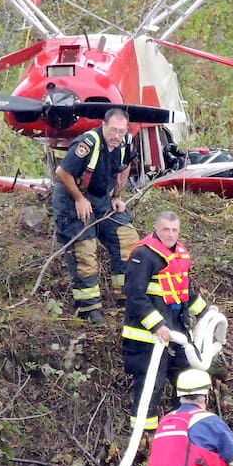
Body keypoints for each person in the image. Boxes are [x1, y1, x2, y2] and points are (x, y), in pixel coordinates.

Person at [122, 211, 208, 431]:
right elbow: (135, 295)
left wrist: (207, 314)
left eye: (174, 230)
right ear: (156, 229)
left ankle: (183, 429)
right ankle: (144, 437)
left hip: (177, 335)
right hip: (148, 338)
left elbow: (185, 292)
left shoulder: (178, 255)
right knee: (151, 386)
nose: (170, 235)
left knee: (188, 380)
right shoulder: (143, 254)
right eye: (166, 230)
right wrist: (157, 325)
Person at [53, 108, 139, 324]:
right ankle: (88, 308)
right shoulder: (88, 143)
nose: (116, 136)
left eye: (121, 131)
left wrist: (117, 195)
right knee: (85, 250)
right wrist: (79, 199)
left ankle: (125, 297)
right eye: (113, 130)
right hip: (74, 200)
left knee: (128, 239)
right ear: (103, 125)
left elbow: (126, 165)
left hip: (103, 200)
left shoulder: (126, 143)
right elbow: (62, 172)